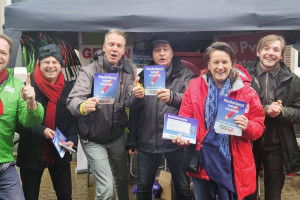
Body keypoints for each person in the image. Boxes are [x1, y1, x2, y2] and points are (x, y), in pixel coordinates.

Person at [173, 42, 265, 200]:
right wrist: (181, 138)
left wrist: (247, 126)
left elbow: (259, 127)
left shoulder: (246, 91)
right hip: (202, 161)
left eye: (225, 62)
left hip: (233, 164)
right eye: (215, 62)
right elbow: (184, 120)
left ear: (232, 63)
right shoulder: (193, 88)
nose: (220, 67)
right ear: (208, 64)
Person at [67, 29, 138, 200]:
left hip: (116, 137)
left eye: (119, 45)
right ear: (104, 47)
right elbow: (73, 100)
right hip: (93, 138)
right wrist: (83, 105)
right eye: (111, 44)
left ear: (123, 51)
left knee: (122, 179)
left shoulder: (129, 73)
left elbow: (130, 101)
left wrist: (137, 94)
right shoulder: (89, 71)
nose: (115, 48)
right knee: (106, 188)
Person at [127, 35, 194, 200]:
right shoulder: (143, 76)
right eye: (157, 50)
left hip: (176, 141)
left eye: (165, 49)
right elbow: (132, 108)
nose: (162, 54)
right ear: (152, 54)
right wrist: (136, 96)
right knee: (143, 189)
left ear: (172, 53)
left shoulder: (185, 74)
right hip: (147, 142)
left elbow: (193, 100)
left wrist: (173, 96)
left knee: (183, 188)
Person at [16, 44, 78, 200]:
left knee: (65, 196)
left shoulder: (69, 89)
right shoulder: (28, 88)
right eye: (46, 62)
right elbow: (18, 121)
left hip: (60, 151)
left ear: (60, 65)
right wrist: (40, 130)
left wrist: (71, 139)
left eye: (55, 62)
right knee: (30, 196)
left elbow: (73, 120)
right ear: (39, 64)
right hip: (32, 152)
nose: (51, 66)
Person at [244, 35, 300, 200]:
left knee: (274, 194)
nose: (270, 53)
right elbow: (235, 109)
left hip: (276, 146)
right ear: (258, 52)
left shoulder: (293, 81)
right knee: (248, 193)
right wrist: (266, 110)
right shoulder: (243, 78)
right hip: (248, 144)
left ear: (282, 55)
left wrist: (282, 112)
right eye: (266, 48)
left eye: (276, 50)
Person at [0, 34, 44, 199]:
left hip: (4, 167)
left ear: (9, 57)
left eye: (3, 53)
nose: (0, 56)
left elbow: (30, 121)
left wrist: (32, 102)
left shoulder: (17, 85)